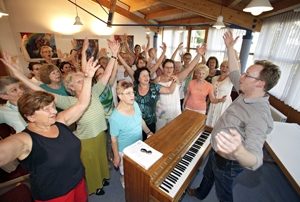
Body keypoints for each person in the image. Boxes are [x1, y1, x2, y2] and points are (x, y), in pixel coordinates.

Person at [187, 31, 281, 202]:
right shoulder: (247, 90)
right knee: (208, 174)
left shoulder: (259, 115)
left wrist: (238, 150)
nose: (241, 76)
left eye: (247, 75)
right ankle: (201, 193)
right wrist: (230, 48)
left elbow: (255, 159)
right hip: (216, 150)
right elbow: (234, 71)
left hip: (228, 162)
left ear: (260, 83)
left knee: (224, 192)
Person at [0, 57, 99, 202]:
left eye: (52, 106)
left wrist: (89, 78)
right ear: (30, 117)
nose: (53, 111)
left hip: (78, 183)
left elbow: (83, 103)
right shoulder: (25, 140)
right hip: (55, 195)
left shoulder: (59, 121)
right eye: (46, 110)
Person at [109, 80, 153, 188]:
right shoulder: (115, 117)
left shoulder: (135, 104)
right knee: (125, 172)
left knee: (138, 168)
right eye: (128, 93)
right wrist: (116, 156)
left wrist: (148, 132)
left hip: (139, 144)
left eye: (132, 92)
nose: (132, 95)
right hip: (125, 151)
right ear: (120, 96)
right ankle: (123, 179)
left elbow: (140, 120)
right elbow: (113, 139)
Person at [154, 44, 206, 130]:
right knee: (160, 133)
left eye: (171, 68)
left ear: (173, 69)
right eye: (167, 67)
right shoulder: (157, 80)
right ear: (163, 68)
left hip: (175, 111)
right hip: (161, 112)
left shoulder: (177, 77)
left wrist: (199, 54)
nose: (169, 70)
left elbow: (189, 68)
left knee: (174, 133)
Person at [206, 60, 233, 127]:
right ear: (220, 67)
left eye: (227, 67)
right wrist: (207, 104)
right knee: (210, 122)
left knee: (220, 123)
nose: (224, 68)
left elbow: (237, 72)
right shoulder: (214, 78)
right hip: (213, 102)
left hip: (224, 103)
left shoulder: (231, 79)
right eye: (223, 66)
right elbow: (211, 93)